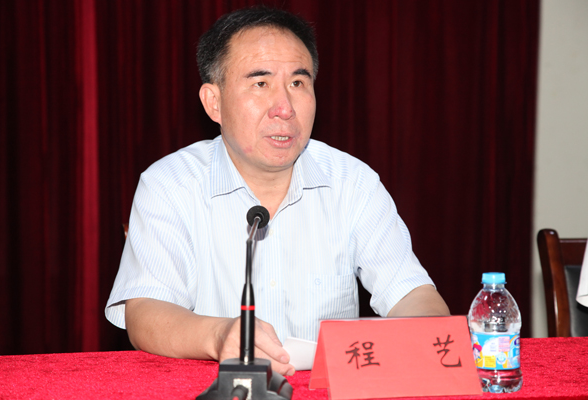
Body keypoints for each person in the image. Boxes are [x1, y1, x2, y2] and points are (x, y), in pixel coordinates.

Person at [105, 7, 449, 377]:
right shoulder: (169, 184)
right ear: (213, 102)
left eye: (298, 83)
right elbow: (146, 312)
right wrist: (218, 336)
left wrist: (426, 338)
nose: (284, 108)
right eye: (261, 84)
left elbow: (412, 294)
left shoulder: (353, 182)